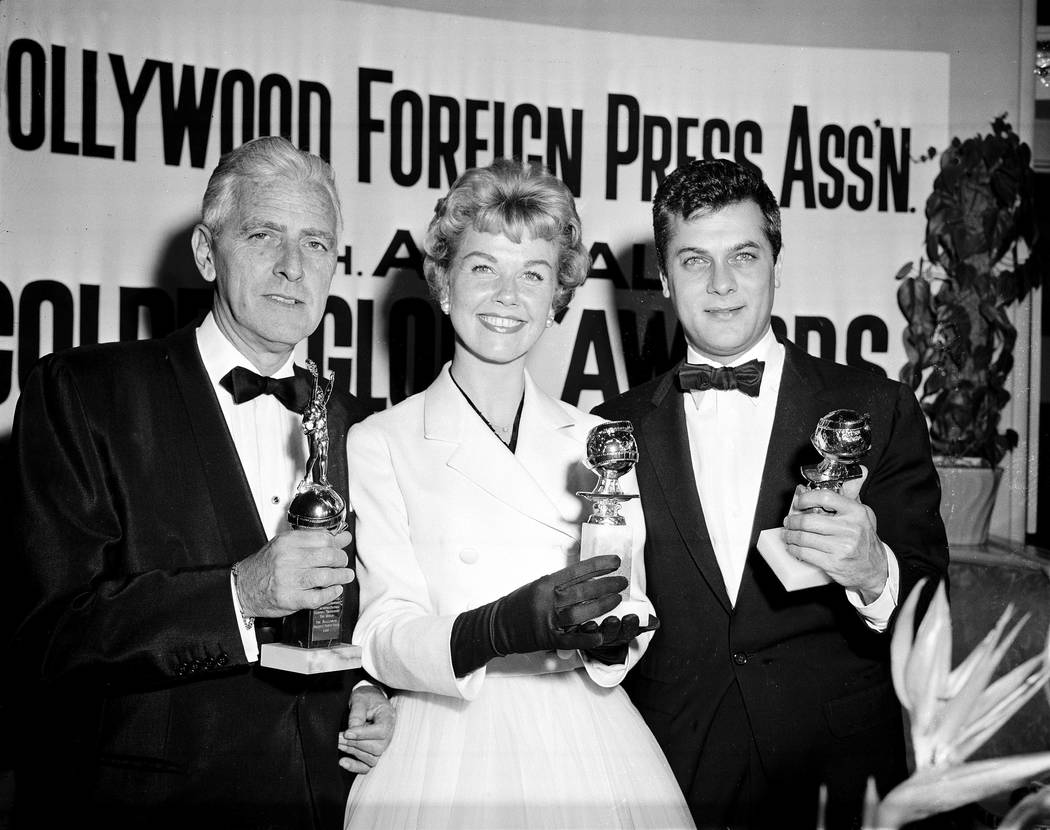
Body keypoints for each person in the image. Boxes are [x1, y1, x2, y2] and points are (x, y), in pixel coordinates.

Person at [9, 136, 394, 829]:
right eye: (262, 234)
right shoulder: (85, 393)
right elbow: (46, 635)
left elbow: (379, 611)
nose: (290, 267)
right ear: (206, 253)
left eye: (314, 244)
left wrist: (370, 688)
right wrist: (239, 594)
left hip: (328, 805)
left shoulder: (361, 425)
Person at [594, 158, 950, 830]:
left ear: (776, 265)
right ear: (665, 279)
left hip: (836, 772)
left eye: (744, 256)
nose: (722, 284)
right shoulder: (610, 429)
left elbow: (934, 606)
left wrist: (876, 575)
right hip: (669, 770)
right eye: (695, 260)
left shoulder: (878, 407)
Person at [342, 159, 695, 829]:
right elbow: (383, 634)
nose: (507, 296)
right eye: (483, 269)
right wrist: (500, 629)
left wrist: (610, 639)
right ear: (444, 284)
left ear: (556, 298)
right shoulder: (382, 440)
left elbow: (633, 596)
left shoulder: (599, 441)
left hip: (586, 743)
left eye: (532, 274)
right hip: (444, 741)